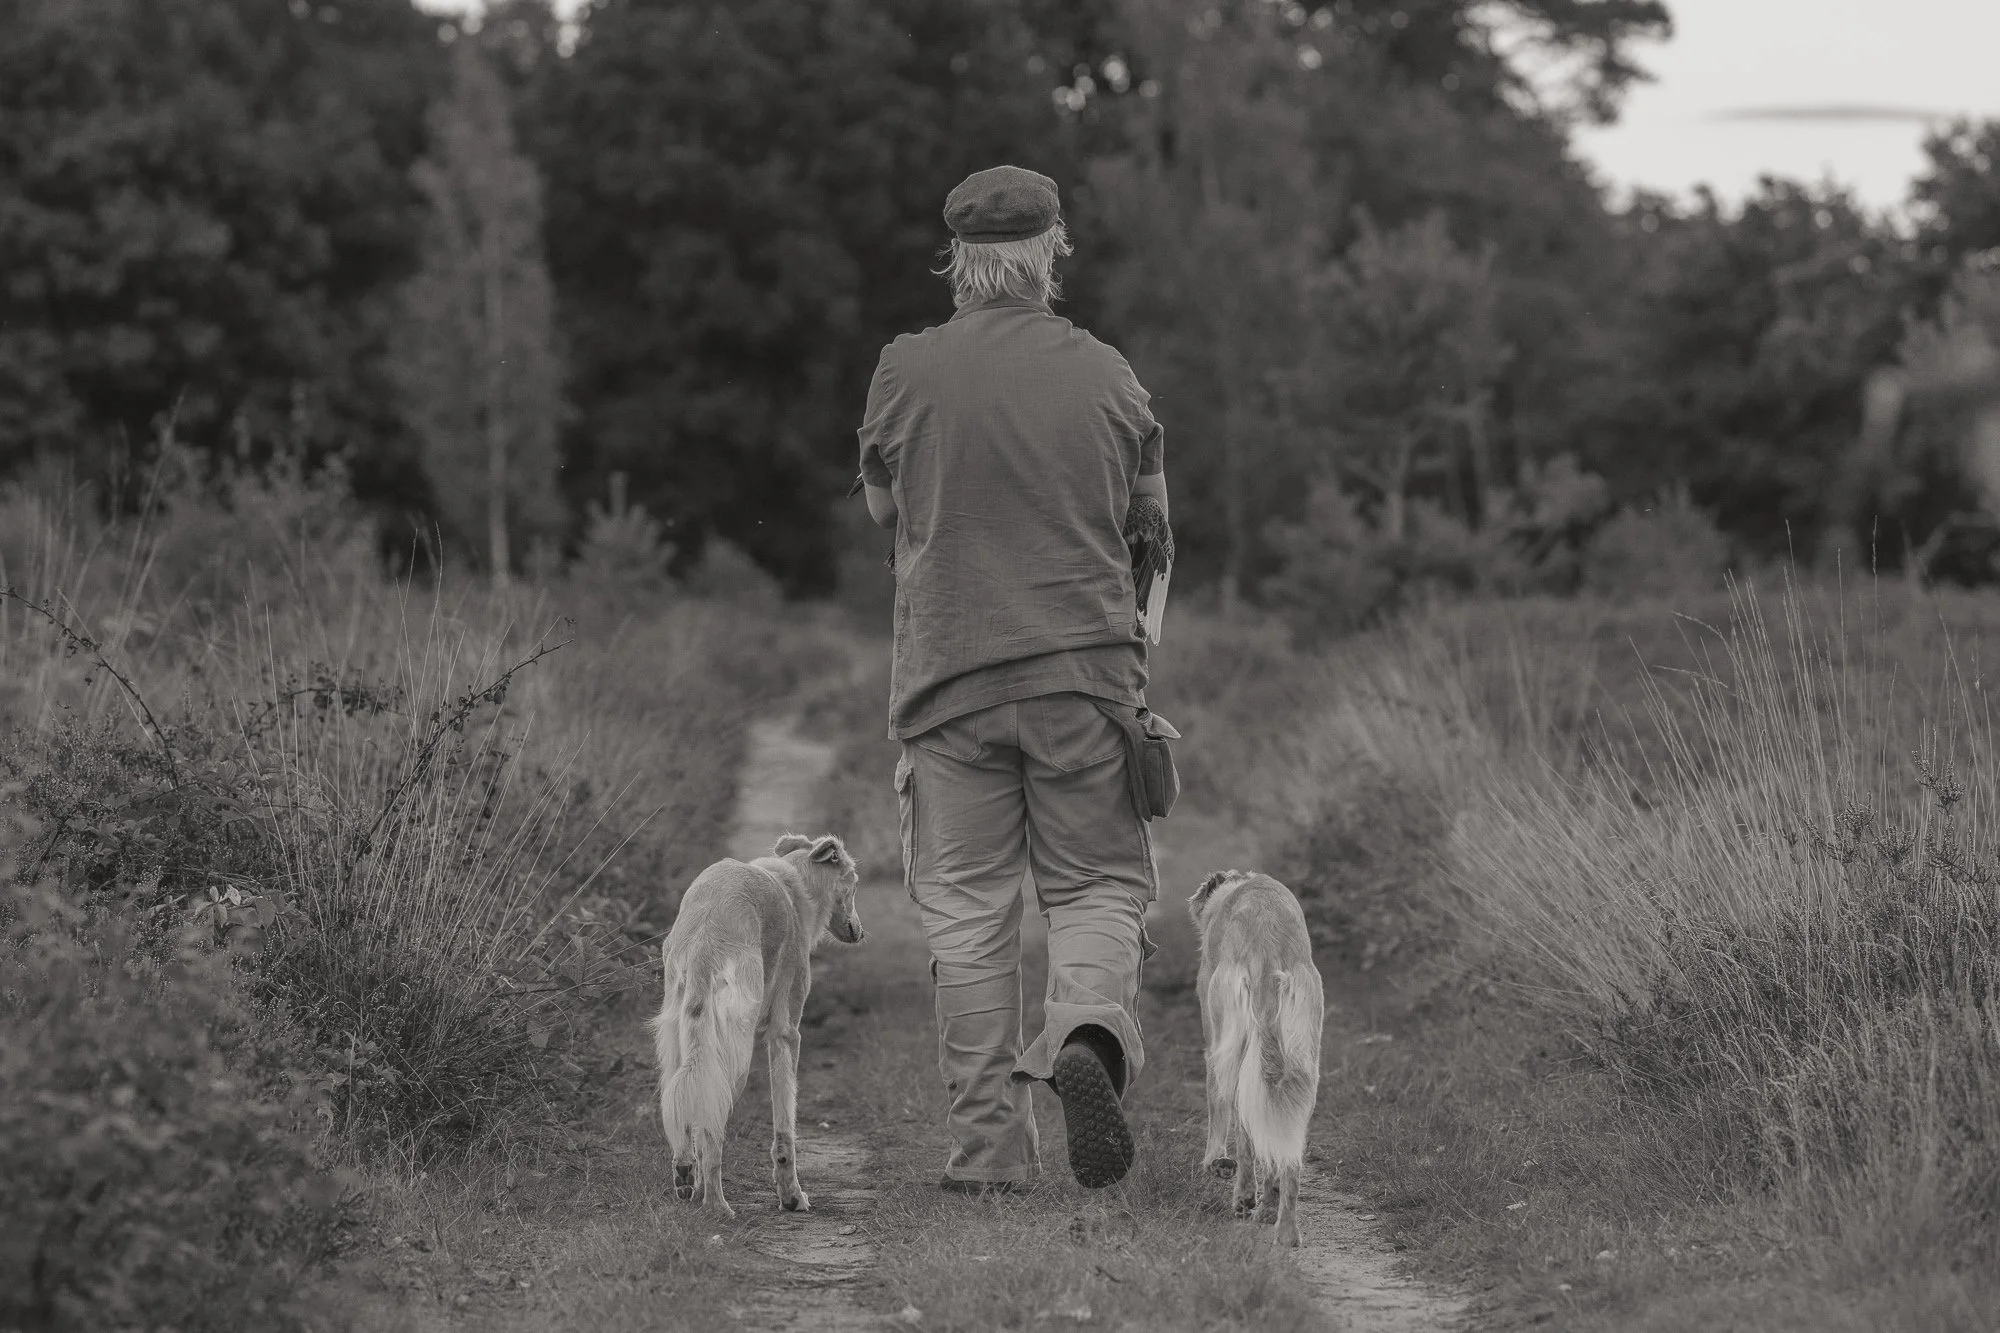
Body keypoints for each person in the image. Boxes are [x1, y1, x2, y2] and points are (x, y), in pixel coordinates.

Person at [856, 165, 1170, 1194]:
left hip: (948, 683)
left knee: (966, 910)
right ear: (1049, 255)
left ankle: (986, 1155)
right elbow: (1151, 536)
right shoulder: (1109, 375)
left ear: (958, 261)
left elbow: (880, 511)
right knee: (1095, 888)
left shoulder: (903, 370)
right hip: (1084, 675)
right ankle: (1083, 1034)